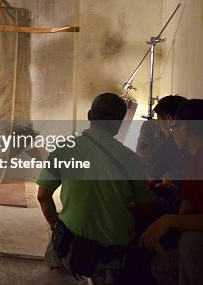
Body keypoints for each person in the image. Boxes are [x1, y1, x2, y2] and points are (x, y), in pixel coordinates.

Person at [37, 93, 155, 283]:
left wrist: (57, 228)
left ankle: (62, 267)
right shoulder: (131, 160)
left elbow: (43, 197)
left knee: (55, 235)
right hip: (114, 250)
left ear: (90, 115)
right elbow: (146, 209)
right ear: (120, 122)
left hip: (73, 246)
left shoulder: (64, 149)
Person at [143, 99, 203, 285]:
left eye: (174, 127)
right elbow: (189, 202)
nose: (172, 132)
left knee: (191, 243)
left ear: (184, 128)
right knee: (162, 264)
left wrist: (169, 221)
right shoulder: (193, 159)